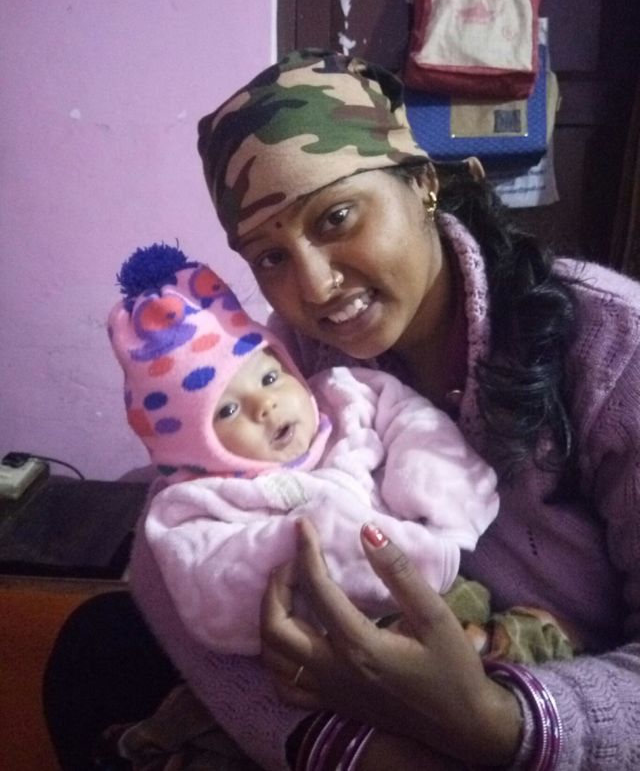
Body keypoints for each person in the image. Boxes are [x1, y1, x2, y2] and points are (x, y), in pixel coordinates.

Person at [44, 47, 640, 771]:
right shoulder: (300, 352)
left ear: (422, 182)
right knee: (99, 646)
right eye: (270, 256)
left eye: (336, 218)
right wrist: (348, 748)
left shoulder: (614, 350)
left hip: (545, 709)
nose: (316, 286)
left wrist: (496, 725)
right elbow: (167, 542)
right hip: (361, 698)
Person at [108, 243, 568, 664]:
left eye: (269, 378)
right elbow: (212, 584)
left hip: (444, 578)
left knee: (498, 630)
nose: (265, 405)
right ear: (193, 447)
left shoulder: (342, 395)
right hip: (341, 631)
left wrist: (433, 496)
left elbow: (414, 423)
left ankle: (518, 646)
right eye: (227, 409)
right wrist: (316, 535)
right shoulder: (197, 503)